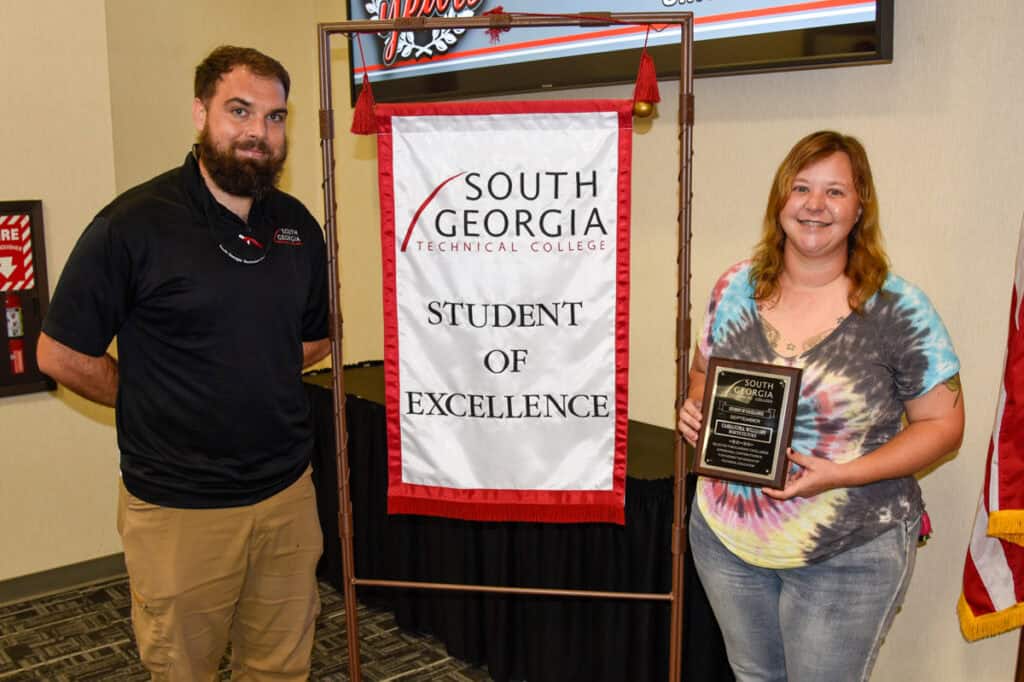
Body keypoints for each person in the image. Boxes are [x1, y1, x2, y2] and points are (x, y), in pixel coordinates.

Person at [37, 46, 331, 680]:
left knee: (282, 667)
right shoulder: (133, 224)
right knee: (184, 670)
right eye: (240, 110)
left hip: (285, 497)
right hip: (180, 511)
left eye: (276, 116)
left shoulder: (299, 226)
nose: (259, 131)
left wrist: (246, 371)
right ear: (200, 114)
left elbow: (315, 337)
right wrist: (144, 393)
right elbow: (59, 353)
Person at [677, 130, 964, 681]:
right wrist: (693, 406)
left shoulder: (898, 309)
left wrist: (840, 474)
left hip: (847, 551)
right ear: (779, 201)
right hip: (727, 543)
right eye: (801, 188)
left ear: (860, 208)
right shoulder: (734, 286)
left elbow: (944, 424)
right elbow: (701, 373)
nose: (814, 205)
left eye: (835, 192)